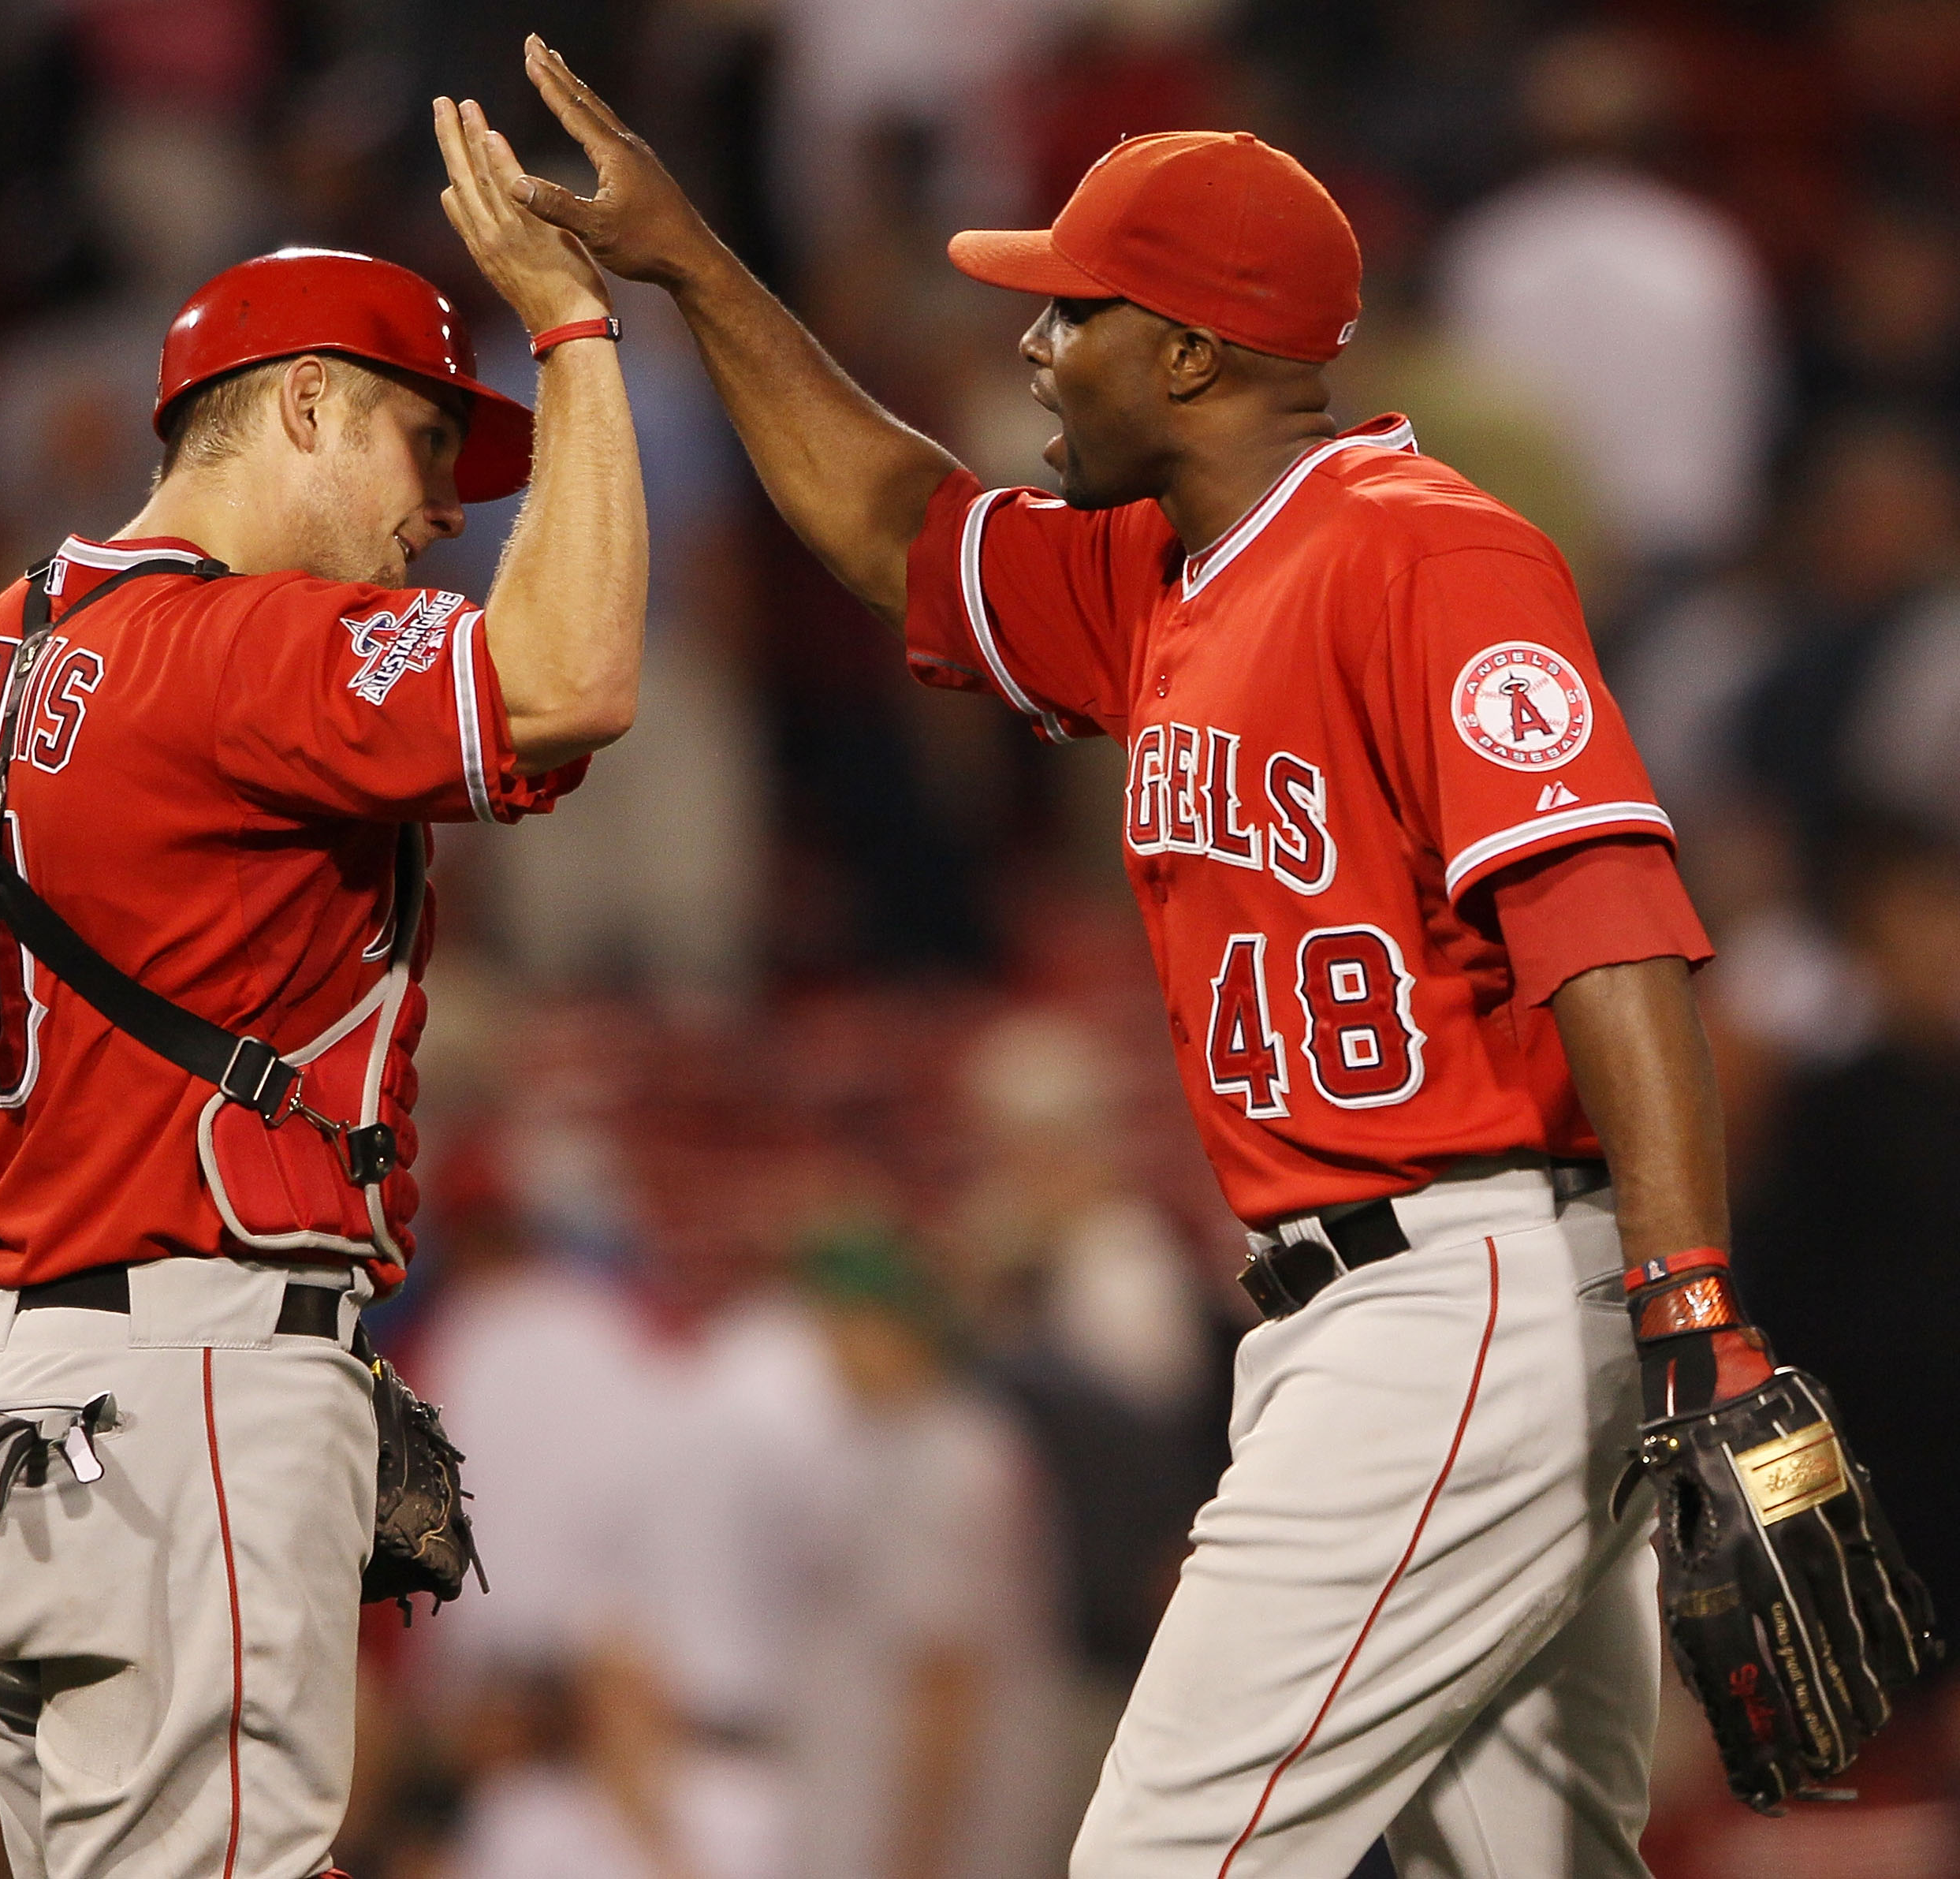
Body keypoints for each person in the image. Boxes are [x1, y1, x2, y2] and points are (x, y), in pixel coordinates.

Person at [505, 41, 1743, 1877]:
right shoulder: (1165, 580)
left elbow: (1614, 933)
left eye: (1070, 313)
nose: (1032, 345)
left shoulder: (1426, 554)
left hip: (1461, 1302)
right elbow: (892, 527)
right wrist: (692, 263)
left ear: (1189, 354)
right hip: (1405, 1309)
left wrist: (1694, 1310)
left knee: (1165, 1858)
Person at [0, 96, 646, 1879]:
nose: (444, 510)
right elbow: (568, 675)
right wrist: (574, 333)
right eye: (429, 443)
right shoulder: (239, 647)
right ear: (300, 407)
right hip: (178, 1389)